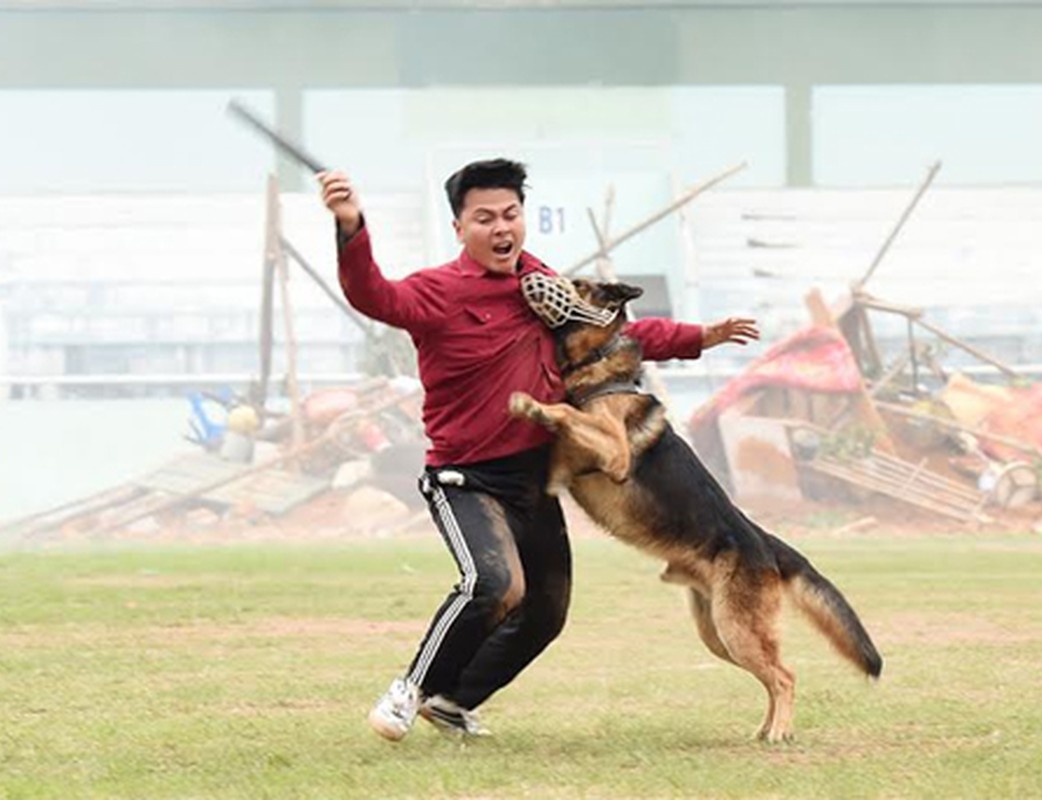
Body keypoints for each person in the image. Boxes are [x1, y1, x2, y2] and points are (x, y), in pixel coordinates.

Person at [318, 158, 759, 741]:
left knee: (545, 614)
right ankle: (410, 689)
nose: (502, 228)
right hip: (465, 478)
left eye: (511, 214)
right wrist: (351, 225)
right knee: (495, 585)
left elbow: (613, 335)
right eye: (484, 218)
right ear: (459, 228)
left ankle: (452, 701)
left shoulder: (542, 285)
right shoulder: (438, 292)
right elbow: (373, 295)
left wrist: (698, 336)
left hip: (533, 479)